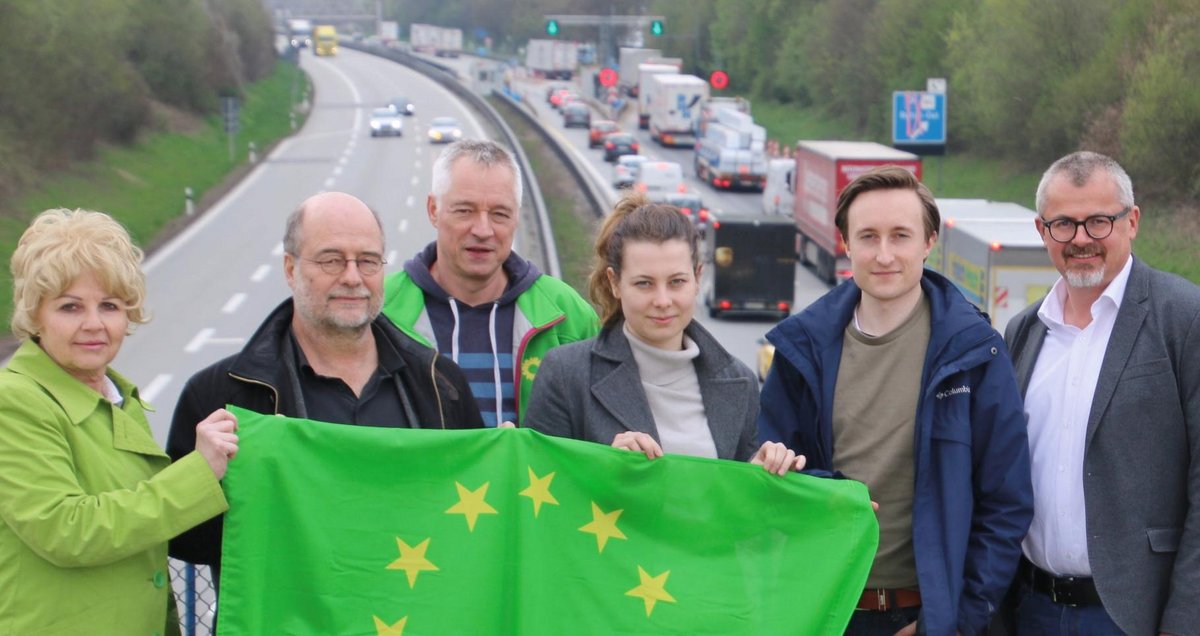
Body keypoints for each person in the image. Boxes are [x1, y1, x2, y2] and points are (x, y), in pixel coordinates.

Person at [757, 166, 1033, 635]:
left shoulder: (976, 353)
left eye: (900, 236)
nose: (884, 254)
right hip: (825, 611)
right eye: (868, 236)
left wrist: (954, 623)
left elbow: (1005, 506)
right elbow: (769, 489)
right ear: (845, 243)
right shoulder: (799, 351)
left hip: (928, 616)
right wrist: (790, 474)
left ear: (929, 242)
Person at [166, 191, 483, 584]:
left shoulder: (440, 385)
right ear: (290, 268)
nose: (352, 277)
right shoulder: (223, 395)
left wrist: (502, 463)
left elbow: (473, 525)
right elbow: (183, 542)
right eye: (332, 260)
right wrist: (201, 479)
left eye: (368, 261)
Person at [0, 209, 236, 635]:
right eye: (70, 307)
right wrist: (197, 474)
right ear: (36, 316)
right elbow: (67, 530)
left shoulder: (116, 398)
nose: (94, 324)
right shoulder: (13, 401)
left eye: (109, 305)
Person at [1003, 151, 1200, 635]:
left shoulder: (1183, 318)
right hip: (1031, 609)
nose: (1081, 239)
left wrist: (1183, 621)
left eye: (1098, 221)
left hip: (1134, 616)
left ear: (1131, 221)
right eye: (1063, 225)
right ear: (1041, 231)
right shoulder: (1023, 332)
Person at [524, 193, 803, 474]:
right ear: (615, 283)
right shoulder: (566, 374)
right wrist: (604, 470)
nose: (662, 300)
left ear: (697, 278)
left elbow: (739, 504)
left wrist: (761, 473)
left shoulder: (739, 382)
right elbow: (540, 490)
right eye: (644, 283)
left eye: (676, 282)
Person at [382, 139, 600, 427]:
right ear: (433, 210)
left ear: (517, 218)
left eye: (499, 214)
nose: (483, 230)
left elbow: (598, 423)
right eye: (465, 211)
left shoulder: (566, 314)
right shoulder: (383, 309)